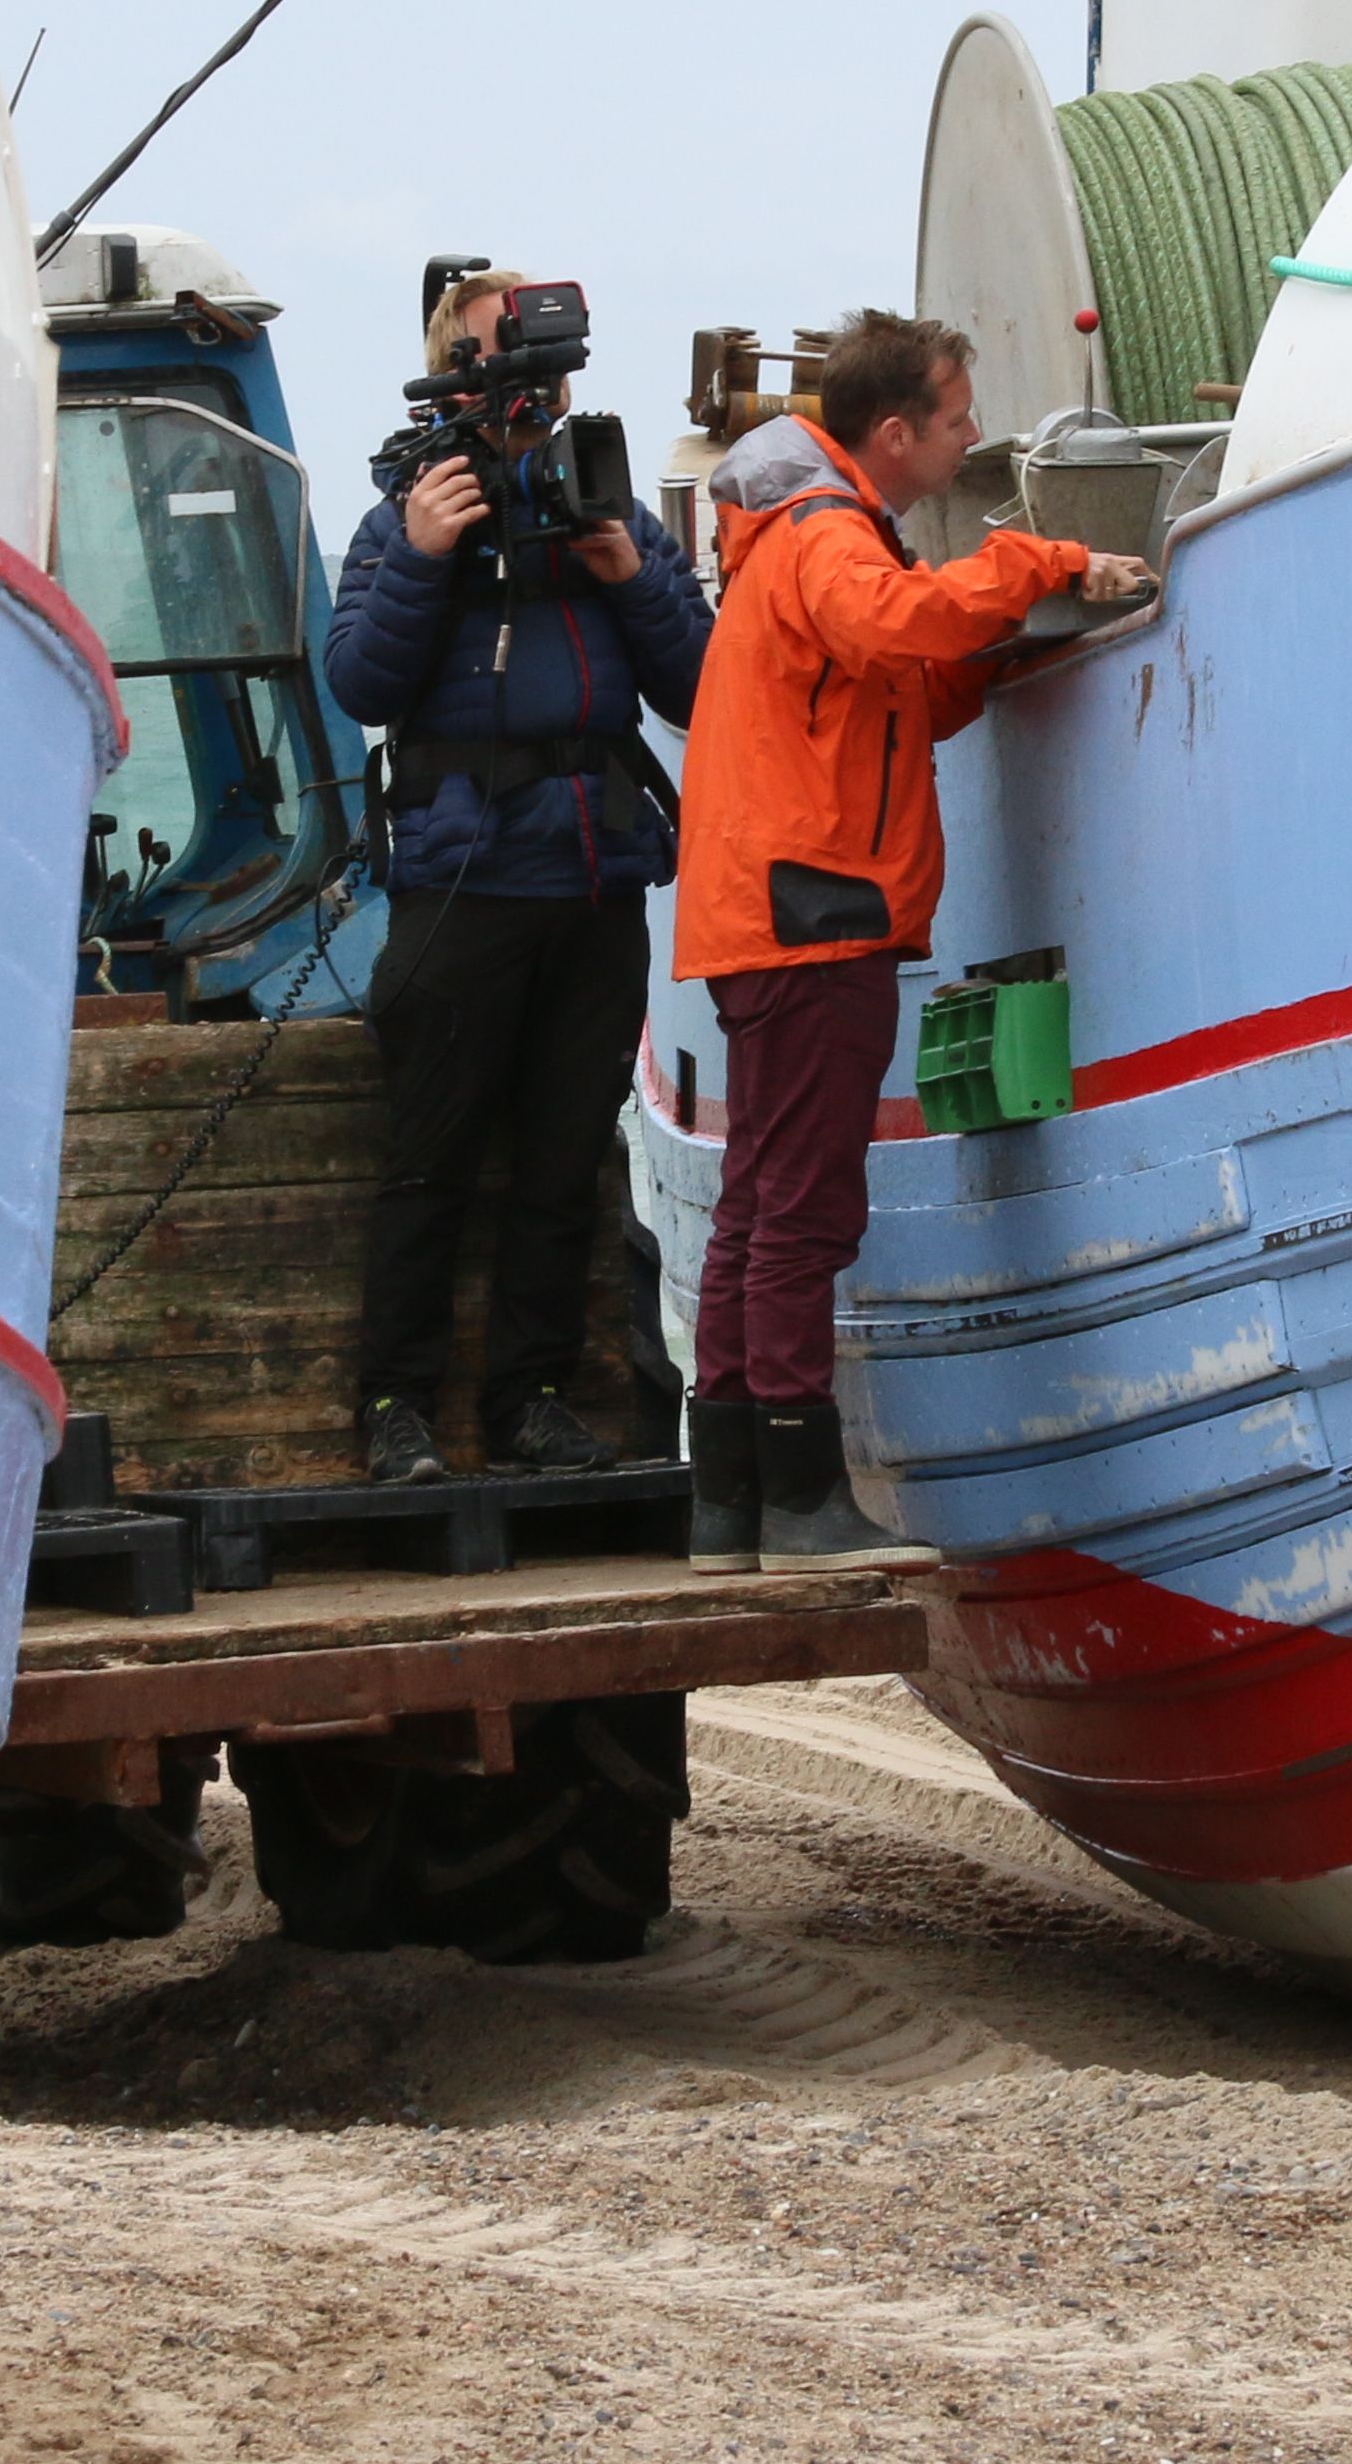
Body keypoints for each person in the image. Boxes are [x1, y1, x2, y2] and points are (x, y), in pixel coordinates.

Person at [675, 311, 1155, 1565]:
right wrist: (1039, 565)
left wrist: (991, 647)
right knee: (803, 1208)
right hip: (810, 915)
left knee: (759, 1202)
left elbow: (899, 686)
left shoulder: (805, 536)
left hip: (775, 912)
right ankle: (798, 1496)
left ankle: (732, 1497)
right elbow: (895, 627)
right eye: (956, 420)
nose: (971, 438)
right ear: (894, 433)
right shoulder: (827, 535)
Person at [322, 266, 711, 1491]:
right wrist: (427, 555)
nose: (534, 389)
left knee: (561, 1163)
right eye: (507, 360)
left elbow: (703, 686)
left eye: (548, 367)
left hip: (596, 883)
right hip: (465, 885)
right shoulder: (399, 521)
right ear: (454, 374)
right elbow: (360, 684)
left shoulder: (606, 508)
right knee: (430, 1164)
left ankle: (531, 1402)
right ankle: (395, 1408)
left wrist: (631, 576)